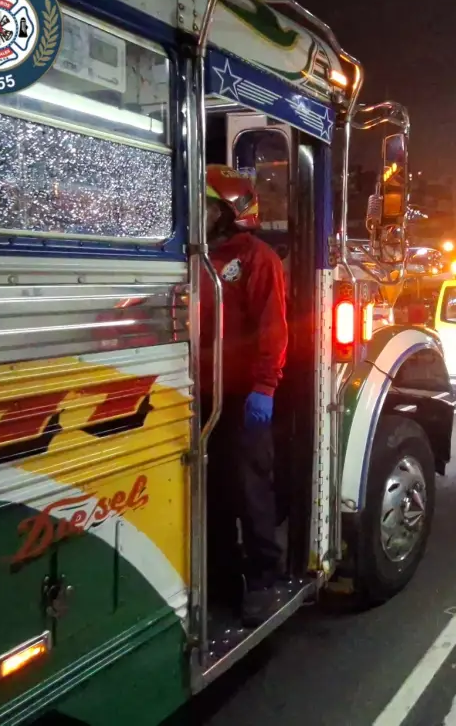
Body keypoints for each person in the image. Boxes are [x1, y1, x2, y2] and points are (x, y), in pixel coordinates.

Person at [201, 164, 290, 626]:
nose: (198, 212)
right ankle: (221, 576)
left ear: (230, 211)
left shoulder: (257, 260)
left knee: (251, 489)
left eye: (207, 204)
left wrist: (263, 387)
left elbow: (273, 329)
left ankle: (263, 579)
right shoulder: (193, 255)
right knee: (209, 491)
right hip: (200, 394)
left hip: (242, 396)